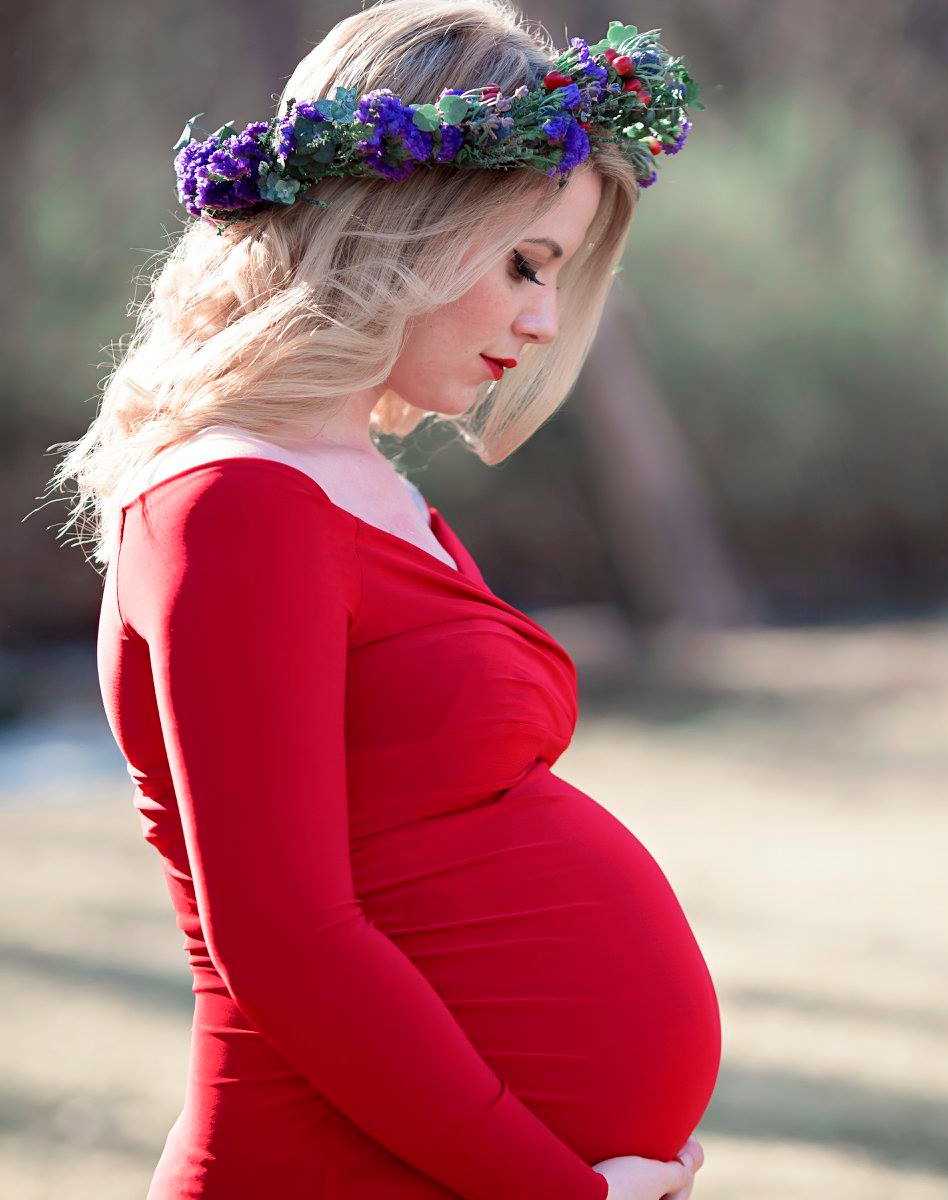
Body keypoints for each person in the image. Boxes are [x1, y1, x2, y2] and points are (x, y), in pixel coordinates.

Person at [58, 1, 718, 1196]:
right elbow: (287, 946)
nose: (540, 318)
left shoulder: (362, 486)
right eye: (525, 263)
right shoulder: (230, 502)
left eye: (558, 279)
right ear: (401, 221)